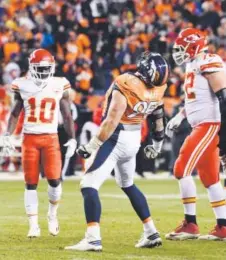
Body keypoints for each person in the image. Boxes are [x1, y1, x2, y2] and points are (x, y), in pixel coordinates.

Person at [65, 51, 169, 251]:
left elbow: (112, 119)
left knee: (88, 185)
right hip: (134, 137)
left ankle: (92, 238)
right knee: (128, 184)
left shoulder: (127, 83)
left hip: (116, 137)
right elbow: (158, 117)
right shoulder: (158, 88)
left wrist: (91, 145)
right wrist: (157, 144)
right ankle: (151, 232)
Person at [2, 49, 77, 238]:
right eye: (39, 69)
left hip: (51, 138)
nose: (43, 72)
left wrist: (72, 138)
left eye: (46, 69)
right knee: (30, 183)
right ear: (32, 67)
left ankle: (52, 216)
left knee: (54, 181)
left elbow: (67, 115)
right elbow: (15, 112)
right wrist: (7, 135)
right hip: (30, 139)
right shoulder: (22, 85)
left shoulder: (60, 84)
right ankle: (33, 225)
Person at [165, 28, 226, 241]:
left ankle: (190, 224)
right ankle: (223, 227)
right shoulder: (193, 64)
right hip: (199, 123)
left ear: (194, 46)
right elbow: (195, 99)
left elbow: (223, 97)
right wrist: (180, 116)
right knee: (210, 179)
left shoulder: (209, 61)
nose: (178, 52)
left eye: (182, 48)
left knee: (181, 168)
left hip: (209, 124)